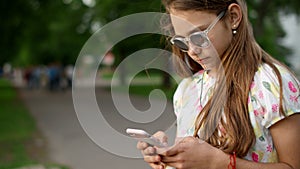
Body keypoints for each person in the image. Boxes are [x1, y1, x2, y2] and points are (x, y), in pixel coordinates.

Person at [137, 0, 300, 169]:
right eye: (182, 41)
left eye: (199, 36)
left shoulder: (271, 84)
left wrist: (219, 163)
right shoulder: (187, 89)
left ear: (233, 17)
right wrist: (170, 156)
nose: (192, 50)